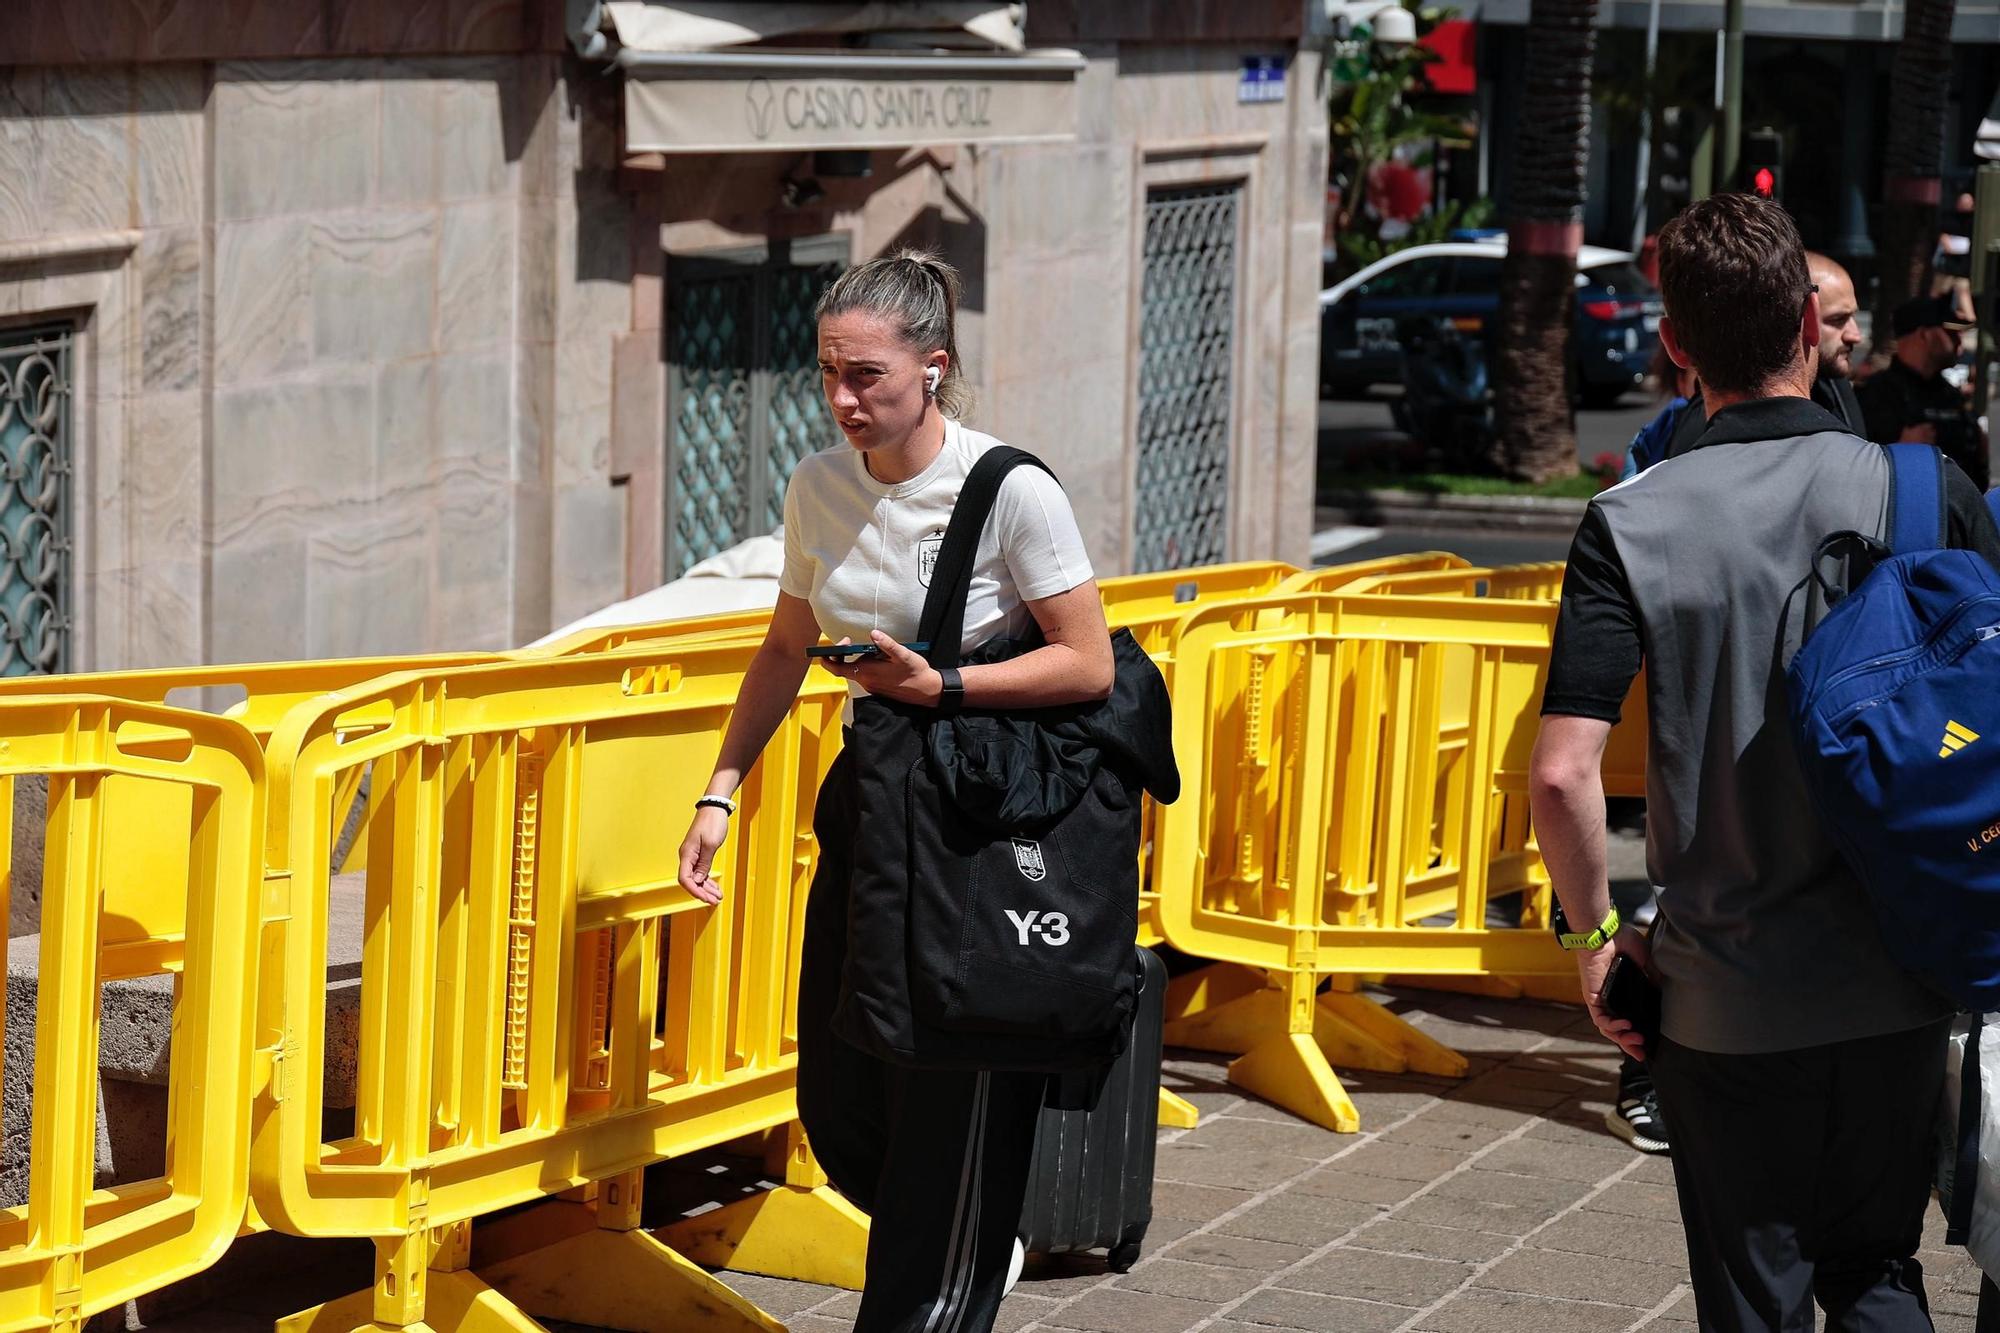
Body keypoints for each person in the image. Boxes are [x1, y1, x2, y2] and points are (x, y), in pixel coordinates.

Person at [1531, 193, 2000, 1331]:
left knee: (1754, 1295)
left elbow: (1559, 773)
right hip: (1902, 971)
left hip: (1723, 995)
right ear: (1808, 322)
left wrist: (1598, 941)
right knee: (1877, 1270)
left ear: (1674, 346)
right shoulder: (1917, 490)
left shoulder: (1625, 521)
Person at [675, 250, 1113, 1333]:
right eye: (827, 372)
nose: (841, 399)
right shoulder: (818, 485)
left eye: (865, 374)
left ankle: (945, 1276)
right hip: (870, 811)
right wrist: (718, 791)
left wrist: (944, 681)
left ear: (932, 366)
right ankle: (964, 1239)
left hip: (974, 822)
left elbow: (1089, 661)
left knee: (947, 1113)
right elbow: (784, 648)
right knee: (843, 1096)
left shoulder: (1008, 489)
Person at [1858, 294, 1987, 489]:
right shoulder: (1876, 395)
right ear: (1924, 335)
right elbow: (1859, 472)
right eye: (1951, 333)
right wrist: (1900, 451)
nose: (1960, 343)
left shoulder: (1951, 396)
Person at [1806, 251, 1865, 432]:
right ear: (1805, 319)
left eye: (1853, 317)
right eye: (1838, 320)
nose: (1855, 336)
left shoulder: (1835, 386)